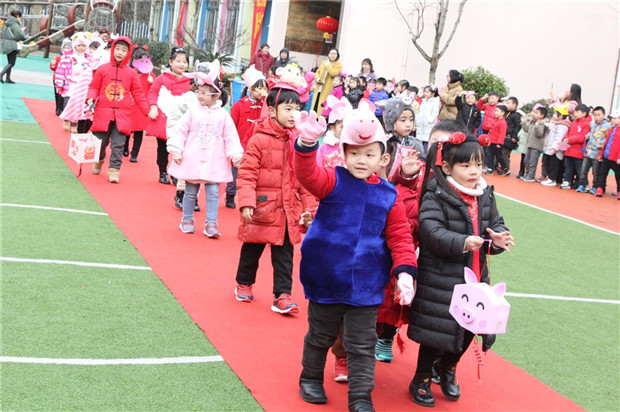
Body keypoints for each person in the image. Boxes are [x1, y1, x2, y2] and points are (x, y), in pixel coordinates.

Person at [293, 103, 418, 412]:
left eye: (370, 154)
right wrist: (307, 144)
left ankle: (361, 396)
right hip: (326, 276)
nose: (362, 160)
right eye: (355, 153)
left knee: (363, 344)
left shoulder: (389, 195)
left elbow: (400, 236)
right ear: (344, 154)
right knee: (320, 334)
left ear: (383, 158)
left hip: (366, 283)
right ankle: (310, 377)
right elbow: (307, 175)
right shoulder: (332, 181)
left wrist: (405, 272)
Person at [407, 132, 514, 408]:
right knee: (437, 330)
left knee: (471, 327)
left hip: (475, 276)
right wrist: (462, 242)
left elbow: (495, 223)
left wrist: (497, 238)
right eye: (466, 166)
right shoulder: (436, 193)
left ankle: (448, 366)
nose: (474, 171)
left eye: (478, 164)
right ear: (447, 167)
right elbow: (431, 232)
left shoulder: (484, 194)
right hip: (442, 276)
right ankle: (421, 378)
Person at [234, 82, 316, 314]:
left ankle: (282, 295)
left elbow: (306, 179)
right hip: (262, 207)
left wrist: (310, 209)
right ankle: (244, 283)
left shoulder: (299, 141)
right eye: (287, 109)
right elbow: (247, 173)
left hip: (288, 209)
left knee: (285, 256)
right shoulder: (258, 139)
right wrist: (247, 201)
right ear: (272, 111)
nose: (293, 114)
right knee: (252, 249)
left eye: (297, 109)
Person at [167, 62, 243, 237]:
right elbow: (180, 130)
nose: (200, 95)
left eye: (204, 92)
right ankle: (187, 220)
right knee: (190, 191)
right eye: (199, 92)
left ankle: (211, 223)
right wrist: (176, 148)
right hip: (193, 157)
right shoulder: (193, 111)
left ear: (215, 94)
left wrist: (235, 154)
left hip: (214, 159)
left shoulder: (223, 115)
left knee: (213, 192)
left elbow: (231, 136)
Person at [86, 36, 151, 183]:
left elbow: (138, 94)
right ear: (112, 50)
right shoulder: (103, 69)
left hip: (123, 114)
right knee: (100, 142)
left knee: (118, 144)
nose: (120, 53)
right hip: (103, 112)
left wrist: (147, 111)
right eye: (117, 49)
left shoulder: (131, 73)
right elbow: (94, 86)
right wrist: (91, 97)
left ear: (128, 53)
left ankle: (114, 170)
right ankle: (99, 159)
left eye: (123, 50)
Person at [147, 47, 192, 184]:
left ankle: (176, 172)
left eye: (184, 62)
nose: (181, 64)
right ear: (171, 62)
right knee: (163, 147)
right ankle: (163, 171)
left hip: (182, 120)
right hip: (164, 119)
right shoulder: (162, 78)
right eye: (178, 61)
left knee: (180, 147)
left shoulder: (190, 81)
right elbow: (153, 92)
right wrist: (153, 106)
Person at [228, 66, 269, 208]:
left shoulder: (265, 106)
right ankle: (230, 193)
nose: (263, 91)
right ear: (250, 89)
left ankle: (251, 198)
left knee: (254, 173)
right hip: (240, 144)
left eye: (265, 88)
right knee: (236, 173)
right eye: (259, 88)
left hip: (257, 145)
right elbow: (231, 126)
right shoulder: (239, 105)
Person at [124, 46, 155, 163]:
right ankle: (125, 147)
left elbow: (154, 91)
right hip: (130, 105)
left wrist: (152, 83)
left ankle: (134, 154)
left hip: (142, 108)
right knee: (127, 129)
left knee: (139, 131)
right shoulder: (130, 73)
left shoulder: (151, 76)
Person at [59, 32, 95, 134]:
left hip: (82, 86)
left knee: (78, 105)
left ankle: (74, 124)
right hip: (70, 84)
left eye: (83, 46)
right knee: (67, 102)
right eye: (79, 45)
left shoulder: (89, 58)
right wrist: (59, 82)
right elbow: (61, 70)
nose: (81, 48)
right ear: (75, 46)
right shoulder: (67, 57)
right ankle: (66, 119)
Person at [577, 106, 610, 193]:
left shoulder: (607, 126)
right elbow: (590, 132)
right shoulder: (592, 124)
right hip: (588, 151)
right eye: (595, 115)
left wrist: (602, 144)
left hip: (597, 153)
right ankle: (582, 185)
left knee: (596, 172)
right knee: (583, 170)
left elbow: (608, 138)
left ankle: (595, 186)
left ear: (604, 115)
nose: (597, 117)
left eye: (599, 115)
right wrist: (588, 135)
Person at [560, 104, 590, 189]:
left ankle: (584, 184)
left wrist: (569, 139)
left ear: (584, 114)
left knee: (580, 169)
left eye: (577, 112)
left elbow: (583, 137)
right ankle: (567, 181)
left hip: (579, 151)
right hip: (569, 150)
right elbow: (568, 133)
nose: (575, 114)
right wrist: (565, 138)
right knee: (568, 167)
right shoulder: (574, 123)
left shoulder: (587, 124)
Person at [540, 106, 571, 187]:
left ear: (561, 116)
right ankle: (553, 178)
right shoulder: (555, 123)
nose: (553, 115)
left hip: (556, 150)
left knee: (554, 164)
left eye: (555, 114)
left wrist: (555, 148)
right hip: (550, 148)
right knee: (548, 163)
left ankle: (552, 179)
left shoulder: (563, 126)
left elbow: (559, 138)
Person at [594, 110, 620, 198]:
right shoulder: (612, 129)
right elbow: (606, 142)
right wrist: (602, 155)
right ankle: (600, 188)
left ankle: (619, 190)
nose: (612, 120)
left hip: (615, 158)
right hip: (606, 156)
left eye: (615, 118)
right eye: (612, 118)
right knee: (602, 173)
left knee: (618, 175)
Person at [520, 107, 549, 182]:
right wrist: (523, 122)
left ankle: (531, 176)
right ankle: (527, 174)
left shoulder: (542, 123)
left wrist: (536, 126)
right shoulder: (533, 122)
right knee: (526, 161)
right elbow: (526, 129)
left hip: (536, 146)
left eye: (537, 113)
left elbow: (539, 134)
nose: (534, 114)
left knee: (532, 162)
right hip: (530, 144)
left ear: (542, 115)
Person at [311, 48, 343, 116]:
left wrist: (328, 65)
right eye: (331, 53)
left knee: (323, 104)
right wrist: (317, 78)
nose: (332, 55)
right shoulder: (324, 62)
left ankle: (320, 118)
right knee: (316, 102)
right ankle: (313, 117)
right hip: (320, 86)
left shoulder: (338, 65)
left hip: (328, 87)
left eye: (334, 54)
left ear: (337, 55)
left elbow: (333, 73)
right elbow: (318, 72)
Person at [315, 97, 345, 168]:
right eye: (342, 127)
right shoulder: (324, 147)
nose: (345, 130)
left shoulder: (352, 147)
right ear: (333, 128)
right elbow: (318, 166)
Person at [0, 10, 26, 84]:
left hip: (6, 42)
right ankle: (1, 74)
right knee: (12, 62)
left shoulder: (7, 23)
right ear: (17, 16)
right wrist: (22, 32)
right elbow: (19, 35)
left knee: (9, 61)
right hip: (12, 44)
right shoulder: (15, 24)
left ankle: (8, 78)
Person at [50, 39, 73, 117]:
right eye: (64, 47)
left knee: (65, 95)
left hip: (67, 79)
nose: (66, 49)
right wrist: (53, 64)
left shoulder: (72, 58)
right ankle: (58, 109)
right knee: (57, 94)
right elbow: (53, 68)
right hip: (57, 78)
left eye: (68, 47)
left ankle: (63, 109)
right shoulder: (58, 57)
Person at [415, 85, 440, 154]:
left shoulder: (435, 102)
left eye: (427, 92)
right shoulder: (423, 101)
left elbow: (434, 114)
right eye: (425, 92)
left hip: (428, 126)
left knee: (426, 145)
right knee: (419, 145)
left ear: (433, 94)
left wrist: (429, 120)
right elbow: (420, 112)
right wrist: (418, 120)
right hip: (421, 125)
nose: (425, 93)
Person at [485, 104, 509, 175]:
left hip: (497, 143)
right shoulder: (496, 120)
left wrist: (499, 143)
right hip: (491, 141)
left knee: (499, 156)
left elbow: (502, 134)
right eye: (495, 111)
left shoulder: (502, 122)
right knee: (490, 155)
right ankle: (490, 168)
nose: (495, 112)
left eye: (497, 111)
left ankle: (505, 168)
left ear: (502, 113)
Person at [501, 96, 522, 174]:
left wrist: (514, 137)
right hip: (504, 137)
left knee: (505, 154)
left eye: (508, 103)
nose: (507, 105)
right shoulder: (507, 114)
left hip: (510, 138)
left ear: (514, 105)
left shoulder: (516, 115)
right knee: (501, 152)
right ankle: (501, 167)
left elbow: (518, 126)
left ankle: (506, 169)